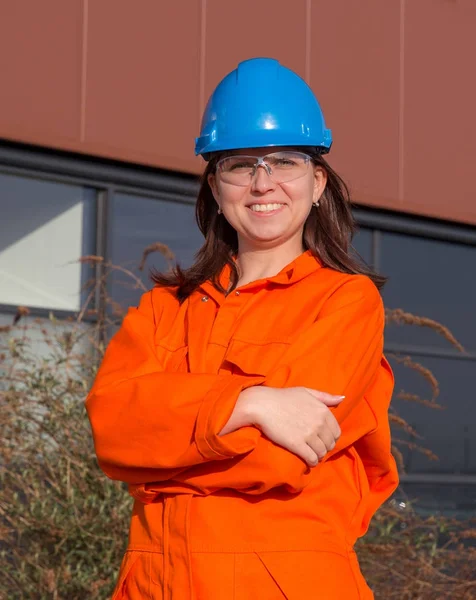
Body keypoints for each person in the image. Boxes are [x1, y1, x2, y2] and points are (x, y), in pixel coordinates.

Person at [86, 57, 399, 599]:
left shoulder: (346, 302)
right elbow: (111, 433)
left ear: (318, 181)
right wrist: (249, 403)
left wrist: (154, 462)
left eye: (284, 162)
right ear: (215, 183)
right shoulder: (164, 308)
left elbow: (279, 456)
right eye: (240, 165)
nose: (263, 183)